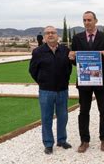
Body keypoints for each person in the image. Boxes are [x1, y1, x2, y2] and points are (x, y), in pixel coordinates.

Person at [69, 11, 104, 153]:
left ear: (96, 21)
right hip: (84, 81)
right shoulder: (77, 38)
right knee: (83, 111)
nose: (87, 22)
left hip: (101, 81)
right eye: (84, 20)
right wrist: (71, 58)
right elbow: (75, 63)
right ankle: (84, 140)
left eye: (89, 20)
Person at [29, 26, 72, 154]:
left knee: (63, 116)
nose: (50, 35)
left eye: (53, 32)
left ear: (57, 35)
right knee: (46, 117)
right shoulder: (38, 52)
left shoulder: (65, 50)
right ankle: (48, 143)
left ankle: (62, 140)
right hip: (46, 91)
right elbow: (32, 70)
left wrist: (64, 80)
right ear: (44, 36)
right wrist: (42, 81)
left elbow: (69, 69)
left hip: (62, 90)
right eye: (47, 33)